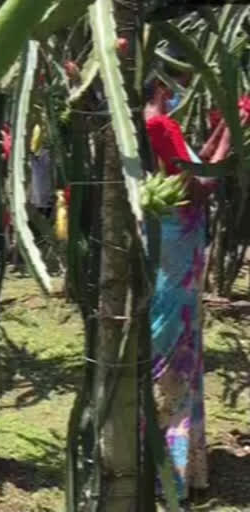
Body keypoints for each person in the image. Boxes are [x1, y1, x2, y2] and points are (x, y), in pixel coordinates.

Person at [143, 71, 233, 502]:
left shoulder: (159, 124)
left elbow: (193, 165)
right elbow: (199, 186)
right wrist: (234, 130)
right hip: (175, 258)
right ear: (162, 82)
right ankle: (169, 470)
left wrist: (226, 126)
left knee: (179, 346)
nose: (182, 84)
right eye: (175, 78)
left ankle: (177, 465)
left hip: (178, 254)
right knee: (173, 353)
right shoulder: (158, 124)